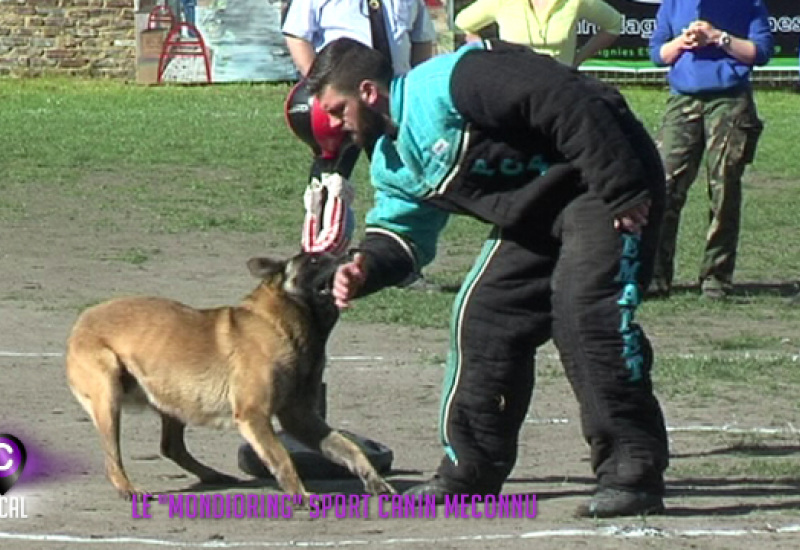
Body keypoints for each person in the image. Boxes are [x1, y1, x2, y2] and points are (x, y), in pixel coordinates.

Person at [306, 36, 670, 518]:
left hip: (603, 185)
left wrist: (622, 187)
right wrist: (364, 267)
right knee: (485, 316)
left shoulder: (451, 81)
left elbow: (564, 95)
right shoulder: (392, 158)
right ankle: (470, 471)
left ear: (368, 92)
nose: (333, 128)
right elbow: (401, 234)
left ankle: (631, 472)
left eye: (336, 111)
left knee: (585, 314)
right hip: (539, 213)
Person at [282, 0, 436, 254]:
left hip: (390, 102)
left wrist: (414, 85)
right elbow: (297, 34)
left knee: (403, 182)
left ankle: (401, 258)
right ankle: (320, 256)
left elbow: (421, 39)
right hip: (343, 102)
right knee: (329, 181)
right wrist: (320, 89)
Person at [647, 0, 773, 299]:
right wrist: (682, 41)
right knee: (665, 184)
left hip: (729, 102)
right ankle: (655, 276)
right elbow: (657, 54)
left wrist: (719, 37)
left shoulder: (748, 4)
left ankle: (716, 276)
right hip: (683, 102)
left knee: (724, 186)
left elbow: (762, 52)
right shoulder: (674, 4)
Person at [454, 0, 622, 67]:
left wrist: (577, 59)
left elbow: (614, 24)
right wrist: (487, 53)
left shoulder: (575, 1)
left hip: (560, 86)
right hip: (511, 85)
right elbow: (462, 24)